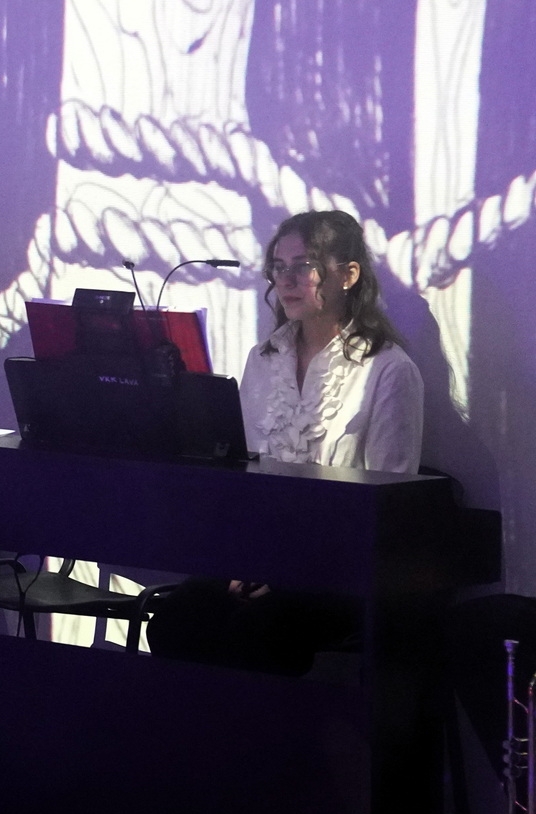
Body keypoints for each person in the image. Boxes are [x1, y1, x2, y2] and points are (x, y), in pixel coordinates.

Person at [145, 209, 424, 675]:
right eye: (279, 267)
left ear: (348, 275)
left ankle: (268, 724)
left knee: (259, 631)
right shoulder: (263, 358)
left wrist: (288, 572)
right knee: (176, 621)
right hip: (256, 557)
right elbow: (241, 478)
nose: (287, 280)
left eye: (304, 266)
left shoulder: (389, 371)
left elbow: (388, 511)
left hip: (337, 572)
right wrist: (242, 562)